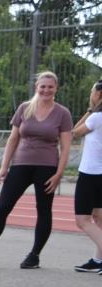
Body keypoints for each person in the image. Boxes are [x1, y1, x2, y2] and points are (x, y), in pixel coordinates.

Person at [0, 71, 73, 269]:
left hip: (47, 168)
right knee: (2, 207)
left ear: (56, 89)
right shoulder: (24, 108)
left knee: (43, 210)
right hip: (20, 165)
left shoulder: (63, 113)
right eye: (42, 86)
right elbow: (13, 139)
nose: (46, 90)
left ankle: (34, 255)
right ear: (36, 88)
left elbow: (66, 147)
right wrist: (3, 167)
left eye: (50, 87)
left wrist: (59, 174)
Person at [70, 79, 102, 274]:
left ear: (98, 94)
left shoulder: (95, 118)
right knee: (99, 218)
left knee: (82, 220)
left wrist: (90, 110)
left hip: (91, 173)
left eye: (92, 91)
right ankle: (98, 260)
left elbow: (74, 132)